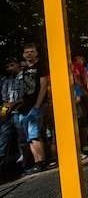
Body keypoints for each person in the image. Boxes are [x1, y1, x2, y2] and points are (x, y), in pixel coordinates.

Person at [15, 44, 49, 174]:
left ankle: (41, 162)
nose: (29, 54)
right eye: (27, 52)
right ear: (23, 55)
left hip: (36, 105)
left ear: (36, 53)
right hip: (24, 107)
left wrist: (37, 105)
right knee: (29, 137)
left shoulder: (41, 67)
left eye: (32, 51)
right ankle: (36, 162)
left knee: (34, 134)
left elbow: (43, 86)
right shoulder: (22, 71)